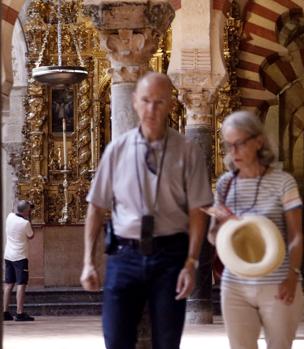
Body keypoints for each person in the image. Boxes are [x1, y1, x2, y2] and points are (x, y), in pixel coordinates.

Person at [80, 72, 212, 349]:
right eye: (146, 101)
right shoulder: (117, 150)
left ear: (171, 105)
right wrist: (88, 262)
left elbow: (198, 210)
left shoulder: (187, 152)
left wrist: (191, 262)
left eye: (159, 102)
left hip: (170, 257)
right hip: (124, 255)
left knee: (166, 341)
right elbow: (96, 206)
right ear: (134, 103)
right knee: (116, 339)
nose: (151, 109)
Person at [207, 110, 304, 349]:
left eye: (239, 144)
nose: (233, 152)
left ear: (258, 141)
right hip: (234, 284)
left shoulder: (283, 182)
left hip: (278, 282)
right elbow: (213, 238)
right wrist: (221, 224)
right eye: (228, 146)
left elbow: (296, 235)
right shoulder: (225, 183)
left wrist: (292, 275)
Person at [3, 200, 35, 321]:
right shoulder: (25, 223)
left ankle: (5, 312)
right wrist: (29, 217)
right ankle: (20, 313)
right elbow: (31, 236)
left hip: (8, 255)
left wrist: (26, 205)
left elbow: (16, 205)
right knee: (21, 284)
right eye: (29, 210)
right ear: (26, 212)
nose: (30, 211)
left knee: (8, 283)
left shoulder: (9, 217)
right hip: (20, 257)